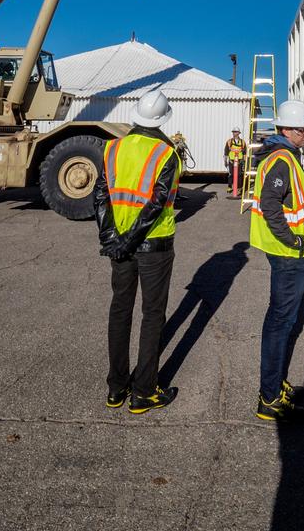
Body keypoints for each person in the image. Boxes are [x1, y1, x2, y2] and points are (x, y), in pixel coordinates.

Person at [94, 89, 183, 413]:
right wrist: (128, 241)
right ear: (163, 119)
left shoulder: (112, 148)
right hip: (154, 245)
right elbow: (157, 203)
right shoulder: (166, 153)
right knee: (152, 315)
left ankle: (116, 388)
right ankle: (144, 391)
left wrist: (111, 240)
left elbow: (100, 196)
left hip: (120, 244)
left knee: (120, 311)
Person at [250, 99, 304, 422]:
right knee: (280, 323)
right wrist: (291, 239)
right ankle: (269, 397)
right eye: (302, 130)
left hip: (289, 254)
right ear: (286, 130)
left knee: (281, 321)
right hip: (289, 254)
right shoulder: (281, 160)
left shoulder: (284, 156)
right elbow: (270, 203)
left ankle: (273, 383)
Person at [224, 127, 247, 197]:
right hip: (231, 160)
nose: (235, 133)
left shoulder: (242, 142)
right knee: (231, 174)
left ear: (239, 133)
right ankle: (230, 187)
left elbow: (245, 152)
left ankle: (239, 187)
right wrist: (225, 160)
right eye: (234, 132)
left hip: (239, 160)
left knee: (240, 175)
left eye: (236, 132)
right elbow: (226, 151)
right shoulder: (229, 141)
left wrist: (245, 160)